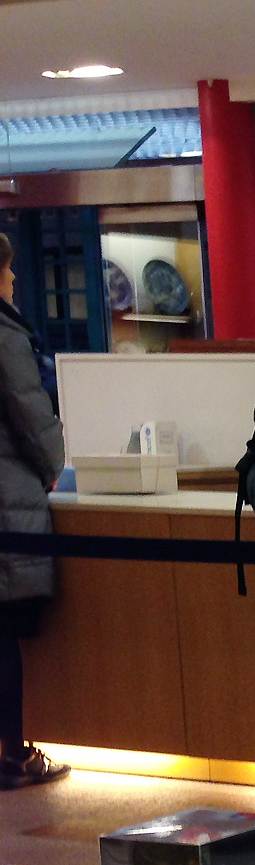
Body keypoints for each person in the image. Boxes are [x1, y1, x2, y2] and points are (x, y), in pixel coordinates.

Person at [0, 233, 68, 789]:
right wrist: (53, 462)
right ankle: (13, 754)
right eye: (10, 273)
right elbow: (30, 412)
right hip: (7, 502)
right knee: (3, 640)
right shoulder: (3, 334)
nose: (15, 282)